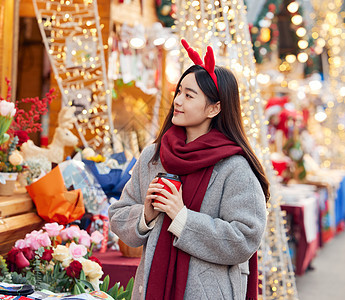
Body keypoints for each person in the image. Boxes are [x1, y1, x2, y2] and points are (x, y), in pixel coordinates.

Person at [109, 39, 269, 300]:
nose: (178, 101)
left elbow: (245, 239)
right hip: (152, 289)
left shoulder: (234, 166)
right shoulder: (154, 156)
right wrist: (145, 215)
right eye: (179, 92)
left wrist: (181, 217)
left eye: (189, 95)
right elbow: (118, 214)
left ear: (214, 108)